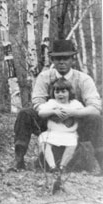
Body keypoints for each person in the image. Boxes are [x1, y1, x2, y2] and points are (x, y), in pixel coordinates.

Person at [13, 39, 103, 174]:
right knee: (25, 113)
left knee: (96, 119)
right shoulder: (44, 77)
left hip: (74, 124)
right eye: (57, 58)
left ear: (73, 59)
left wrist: (73, 113)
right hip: (49, 122)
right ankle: (18, 160)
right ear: (52, 60)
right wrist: (53, 112)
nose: (61, 62)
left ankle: (102, 163)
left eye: (66, 58)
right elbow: (37, 102)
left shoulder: (83, 79)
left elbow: (95, 107)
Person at [38, 78, 83, 172]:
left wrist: (72, 112)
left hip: (69, 133)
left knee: (72, 144)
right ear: (53, 93)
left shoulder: (74, 104)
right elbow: (41, 113)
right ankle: (52, 166)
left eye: (63, 91)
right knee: (43, 140)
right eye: (57, 92)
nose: (60, 94)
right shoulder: (52, 103)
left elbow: (83, 113)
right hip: (53, 132)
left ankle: (63, 166)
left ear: (70, 92)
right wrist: (53, 111)